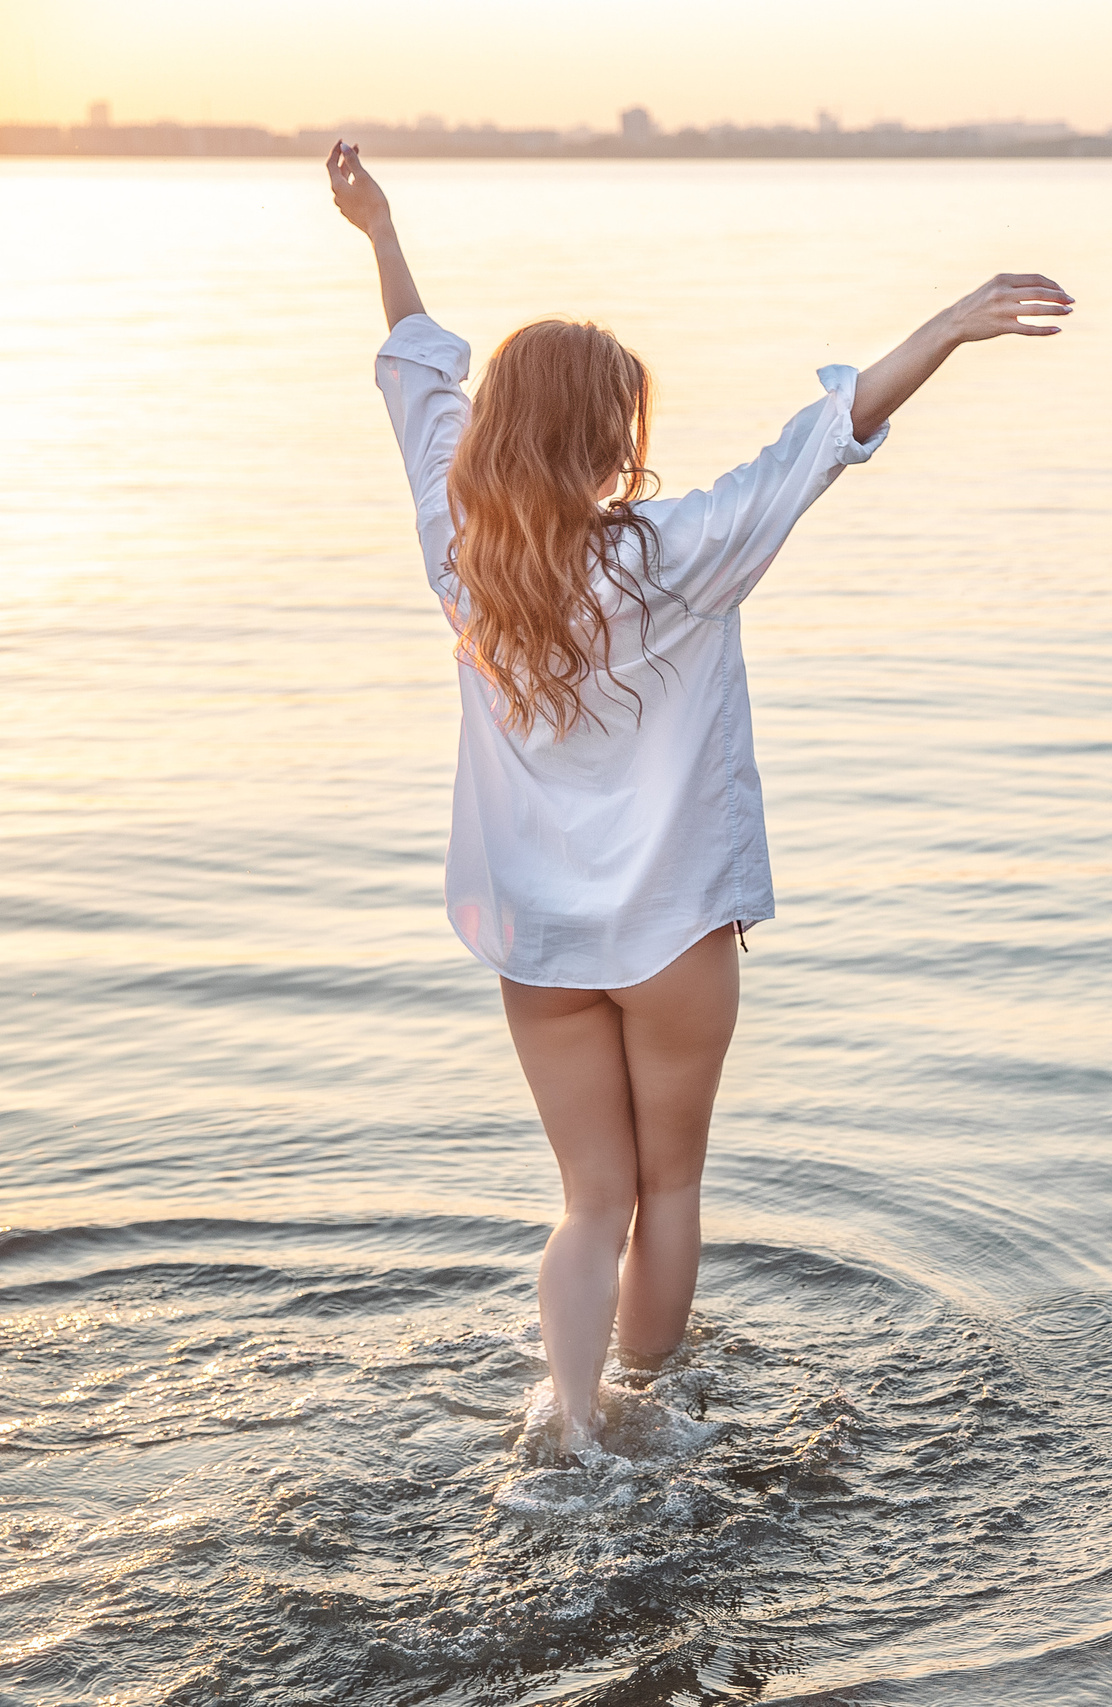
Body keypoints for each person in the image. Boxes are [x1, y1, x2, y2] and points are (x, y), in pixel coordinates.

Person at [326, 140, 1070, 1453]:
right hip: (673, 934)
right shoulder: (679, 555)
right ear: (613, 437)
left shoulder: (463, 551)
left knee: (587, 1203)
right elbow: (817, 446)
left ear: (504, 433)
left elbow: (418, 376)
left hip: (538, 944)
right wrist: (950, 327)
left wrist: (379, 230)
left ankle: (564, 1426)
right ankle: (649, 1427)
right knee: (669, 1189)